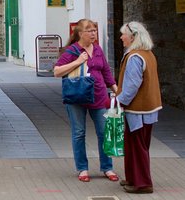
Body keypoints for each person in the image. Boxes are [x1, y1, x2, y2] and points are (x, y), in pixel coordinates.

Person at [53, 19, 119, 183]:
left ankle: (107, 167)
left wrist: (118, 92)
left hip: (99, 96)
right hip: (77, 98)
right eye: (90, 31)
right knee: (79, 133)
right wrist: (77, 62)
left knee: (104, 133)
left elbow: (106, 73)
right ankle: (82, 169)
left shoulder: (97, 49)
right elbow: (57, 72)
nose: (93, 33)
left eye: (94, 30)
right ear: (80, 33)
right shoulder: (72, 51)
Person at [116, 21, 162, 194]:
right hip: (147, 108)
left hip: (138, 110)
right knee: (135, 145)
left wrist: (118, 102)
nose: (121, 37)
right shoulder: (147, 54)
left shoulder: (135, 57)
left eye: (124, 34)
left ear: (133, 37)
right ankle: (133, 177)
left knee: (137, 146)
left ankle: (142, 183)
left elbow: (132, 86)